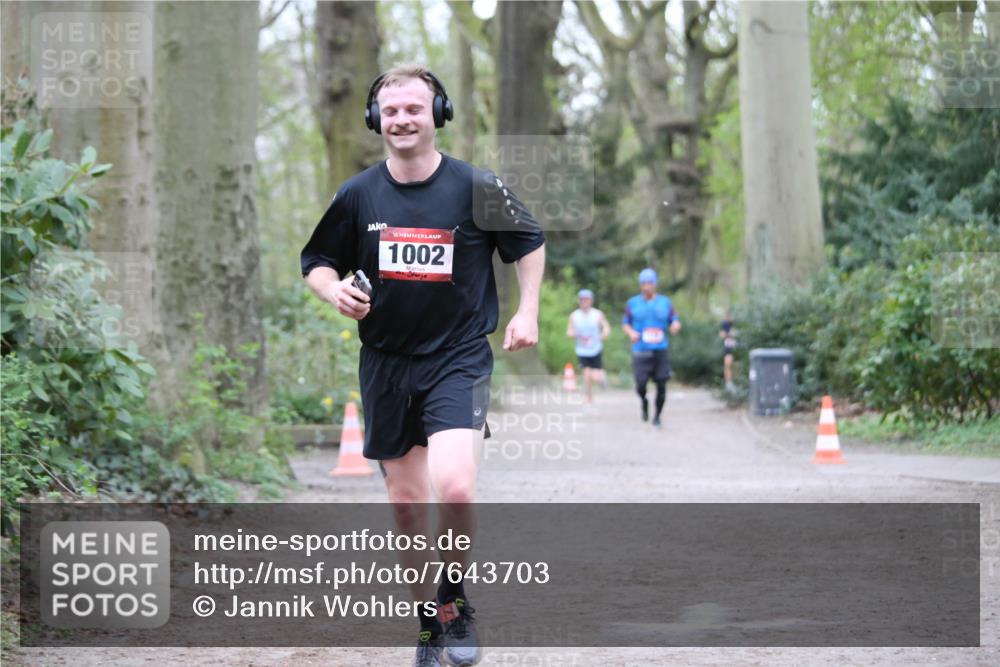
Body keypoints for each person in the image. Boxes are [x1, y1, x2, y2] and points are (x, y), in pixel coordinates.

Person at [300, 63, 545, 667]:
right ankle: (429, 626)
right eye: (390, 111)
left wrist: (527, 311)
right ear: (375, 119)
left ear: (438, 114)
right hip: (386, 363)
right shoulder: (358, 194)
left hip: (458, 358)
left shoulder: (477, 187)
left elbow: (529, 242)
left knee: (455, 485)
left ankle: (454, 600)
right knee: (408, 507)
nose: (402, 119)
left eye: (414, 108)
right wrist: (333, 291)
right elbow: (317, 262)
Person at [622, 268, 681, 428]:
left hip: (660, 350)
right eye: (643, 283)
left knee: (662, 384)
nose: (646, 286)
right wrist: (631, 332)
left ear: (655, 284)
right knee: (640, 384)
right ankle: (644, 401)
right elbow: (626, 323)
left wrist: (675, 325)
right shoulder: (633, 303)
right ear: (640, 285)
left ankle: (657, 416)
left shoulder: (665, 302)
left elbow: (674, 319)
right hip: (641, 350)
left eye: (649, 283)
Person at [566, 289, 610, 403]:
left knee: (594, 376)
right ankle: (589, 397)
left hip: (595, 349)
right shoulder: (574, 315)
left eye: (587, 299)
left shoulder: (597, 314)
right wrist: (573, 334)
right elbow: (569, 331)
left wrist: (604, 334)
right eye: (582, 299)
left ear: (591, 301)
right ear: (579, 301)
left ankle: (602, 377)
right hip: (581, 350)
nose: (584, 302)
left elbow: (606, 327)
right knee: (586, 374)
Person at [720, 310, 737, 391]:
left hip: (733, 347)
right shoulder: (724, 324)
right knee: (728, 365)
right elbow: (722, 335)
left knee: (731, 365)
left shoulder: (732, 324)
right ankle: (728, 383)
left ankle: (730, 383)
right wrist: (730, 334)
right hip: (728, 347)